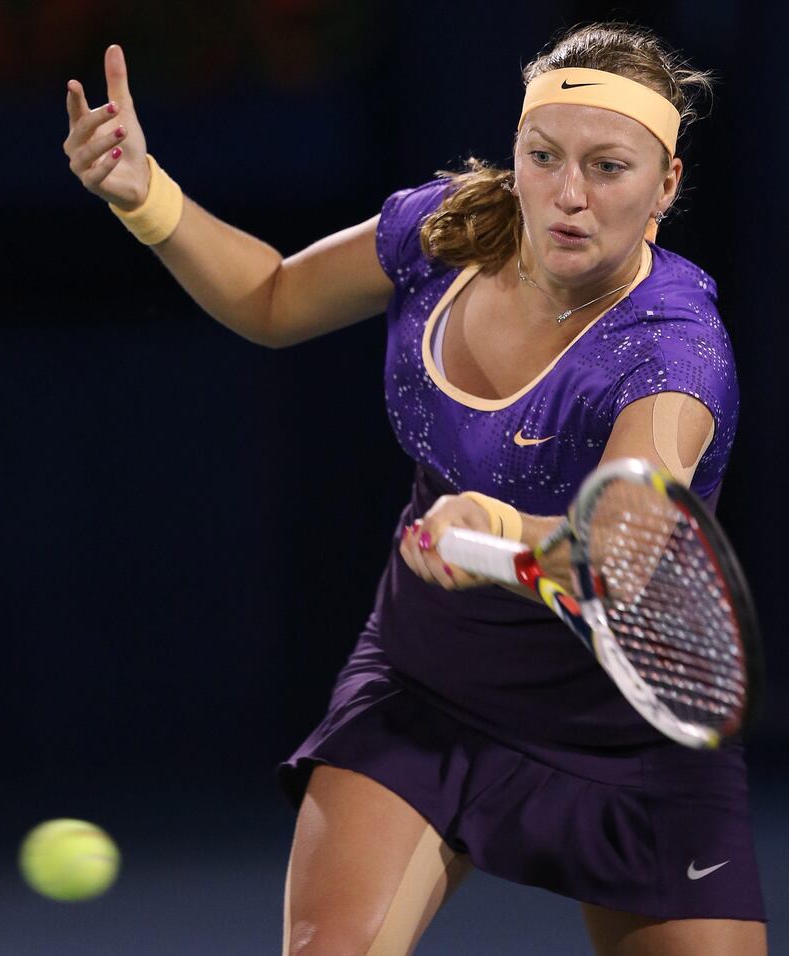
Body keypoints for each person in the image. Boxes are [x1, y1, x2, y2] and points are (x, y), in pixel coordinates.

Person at [63, 21, 767, 956]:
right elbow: (272, 296)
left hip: (628, 731)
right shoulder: (444, 230)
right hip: (429, 684)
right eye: (543, 156)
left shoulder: (676, 349)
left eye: (609, 168)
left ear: (666, 185)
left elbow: (628, 541)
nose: (567, 195)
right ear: (515, 151)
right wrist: (144, 196)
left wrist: (500, 521)